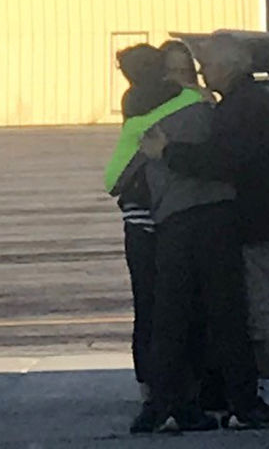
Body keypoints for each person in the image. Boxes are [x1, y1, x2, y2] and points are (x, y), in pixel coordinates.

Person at [155, 32, 269, 427]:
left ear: (227, 66)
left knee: (260, 313)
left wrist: (168, 152)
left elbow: (224, 160)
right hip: (265, 218)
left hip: (256, 223)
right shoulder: (251, 102)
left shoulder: (242, 108)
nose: (202, 73)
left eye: (206, 66)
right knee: (261, 309)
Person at [135, 40, 269, 433]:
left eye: (190, 71)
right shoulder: (206, 110)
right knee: (207, 315)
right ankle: (232, 403)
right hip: (198, 218)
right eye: (179, 72)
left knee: (190, 317)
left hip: (191, 218)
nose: (187, 78)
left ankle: (176, 404)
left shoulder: (156, 113)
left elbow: (122, 173)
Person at [104, 44, 180, 402]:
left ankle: (149, 381)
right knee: (174, 300)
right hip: (170, 209)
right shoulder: (178, 97)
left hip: (137, 213)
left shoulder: (132, 100)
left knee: (145, 301)